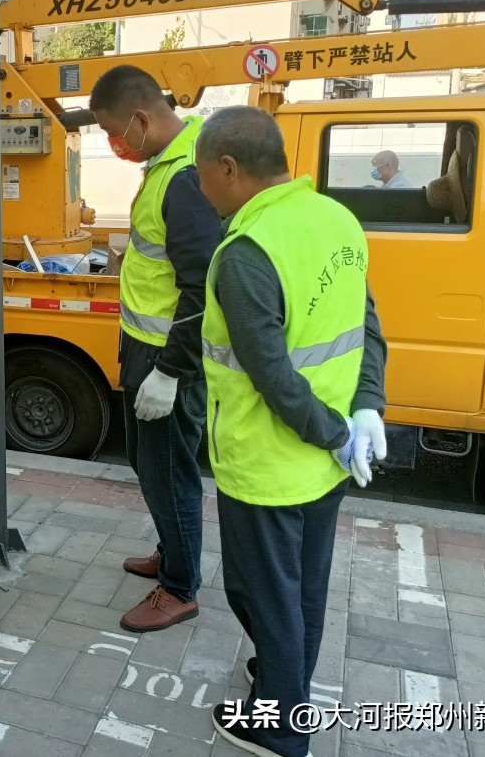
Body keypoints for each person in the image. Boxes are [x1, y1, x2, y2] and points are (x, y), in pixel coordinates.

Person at [194, 105, 387, 757]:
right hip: (328, 464)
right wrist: (367, 409)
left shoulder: (246, 253)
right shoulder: (336, 218)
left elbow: (274, 377)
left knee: (261, 595)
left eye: (201, 174)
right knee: (303, 588)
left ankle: (279, 725)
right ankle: (285, 683)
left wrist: (336, 429)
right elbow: (368, 325)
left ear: (227, 168)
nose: (200, 188)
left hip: (272, 463)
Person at [89, 65, 223, 634]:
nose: (115, 145)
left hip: (166, 357)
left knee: (169, 474)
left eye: (116, 133)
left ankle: (179, 588)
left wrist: (169, 371)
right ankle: (173, 553)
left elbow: (202, 285)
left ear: (141, 119)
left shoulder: (186, 176)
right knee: (150, 467)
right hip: (144, 347)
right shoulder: (166, 163)